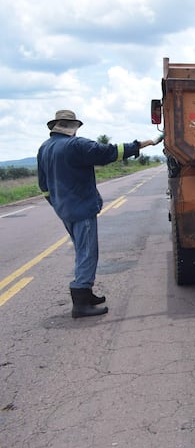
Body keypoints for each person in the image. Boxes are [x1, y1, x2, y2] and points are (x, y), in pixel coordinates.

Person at [37, 110, 156, 318]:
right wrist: (138, 145)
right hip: (81, 207)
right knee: (87, 252)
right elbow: (107, 152)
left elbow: (43, 186)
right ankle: (81, 300)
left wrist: (56, 203)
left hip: (64, 209)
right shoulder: (75, 145)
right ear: (72, 127)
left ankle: (86, 294)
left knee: (81, 250)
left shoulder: (45, 148)